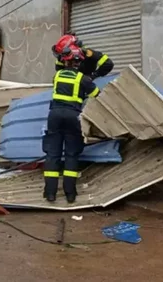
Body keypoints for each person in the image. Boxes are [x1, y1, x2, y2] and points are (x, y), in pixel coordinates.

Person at [43, 42, 100, 203]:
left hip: (54, 116)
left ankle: (50, 193)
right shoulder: (83, 79)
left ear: (65, 61)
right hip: (72, 117)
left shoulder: (57, 76)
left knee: (52, 154)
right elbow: (97, 94)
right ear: (79, 62)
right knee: (71, 154)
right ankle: (70, 194)